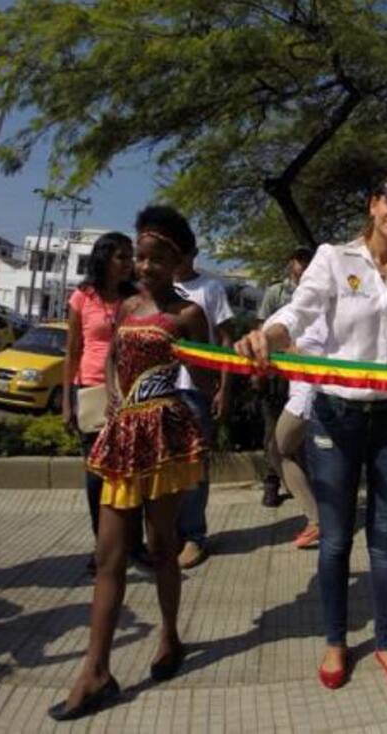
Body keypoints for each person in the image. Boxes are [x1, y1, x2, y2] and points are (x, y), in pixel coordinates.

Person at [235, 172, 387, 691]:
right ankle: (336, 641)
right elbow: (299, 313)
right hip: (337, 414)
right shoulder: (334, 258)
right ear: (372, 204)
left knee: (385, 538)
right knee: (337, 539)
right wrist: (266, 335)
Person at [49, 208, 209, 722]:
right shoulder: (123, 307)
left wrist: (201, 366)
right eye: (139, 257)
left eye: (156, 259)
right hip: (122, 438)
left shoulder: (188, 316)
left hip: (163, 437)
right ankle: (95, 670)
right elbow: (114, 357)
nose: (143, 266)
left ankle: (169, 636)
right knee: (109, 556)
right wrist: (115, 400)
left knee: (163, 548)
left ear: (179, 261)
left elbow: (204, 385)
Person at [61, 232, 144, 570]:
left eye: (130, 256)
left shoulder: (136, 299)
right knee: (96, 477)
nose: (128, 263)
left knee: (131, 473)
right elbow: (72, 349)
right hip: (91, 393)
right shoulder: (83, 297)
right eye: (121, 256)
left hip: (128, 395)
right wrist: (67, 401)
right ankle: (103, 548)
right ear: (105, 258)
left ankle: (134, 546)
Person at [172, 224, 237, 569]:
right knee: (165, 465)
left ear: (193, 254)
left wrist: (224, 388)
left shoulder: (210, 289)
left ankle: (194, 536)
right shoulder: (158, 289)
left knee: (195, 464)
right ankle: (168, 533)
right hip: (159, 390)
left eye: (183, 253)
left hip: (196, 390)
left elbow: (226, 341)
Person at [256, 247, 314, 507]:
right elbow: (262, 329)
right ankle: (272, 484)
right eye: (299, 260)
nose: (303, 265)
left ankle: (304, 488)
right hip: (278, 373)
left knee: (298, 438)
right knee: (274, 433)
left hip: (307, 378)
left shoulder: (320, 292)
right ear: (292, 262)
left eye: (308, 261)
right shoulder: (276, 293)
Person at [265, 315, 327, 549]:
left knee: (279, 451)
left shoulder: (316, 307)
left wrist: (290, 350)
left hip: (307, 395)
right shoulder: (292, 311)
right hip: (306, 393)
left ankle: (318, 520)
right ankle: (322, 517)